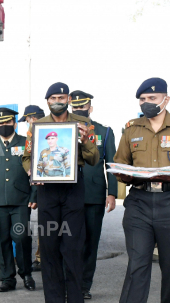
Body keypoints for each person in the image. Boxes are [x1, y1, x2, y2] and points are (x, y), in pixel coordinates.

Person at [114, 79, 170, 303]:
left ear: (166, 99)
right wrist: (123, 174)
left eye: (152, 98)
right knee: (137, 265)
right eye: (142, 99)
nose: (147, 103)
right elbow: (120, 162)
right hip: (139, 202)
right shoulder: (132, 127)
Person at [22, 82, 99, 303]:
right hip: (47, 191)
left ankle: (75, 298)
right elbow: (27, 157)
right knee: (49, 245)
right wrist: (32, 173)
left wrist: (85, 141)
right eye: (53, 98)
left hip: (73, 189)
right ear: (47, 101)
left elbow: (93, 158)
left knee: (73, 246)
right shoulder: (37, 126)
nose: (58, 102)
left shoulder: (83, 123)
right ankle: (54, 299)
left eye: (62, 98)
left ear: (69, 100)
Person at [0, 108, 37, 293]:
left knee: (21, 238)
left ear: (14, 123)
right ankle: (7, 279)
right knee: (2, 240)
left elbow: (36, 170)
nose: (4, 126)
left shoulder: (26, 143)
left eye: (8, 122)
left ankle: (26, 273)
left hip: (21, 199)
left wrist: (34, 195)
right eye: (1, 123)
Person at [70, 90, 117, 299]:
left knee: (91, 242)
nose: (79, 110)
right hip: (69, 193)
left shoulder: (104, 131)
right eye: (75, 107)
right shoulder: (64, 129)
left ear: (90, 108)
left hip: (94, 194)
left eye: (83, 107)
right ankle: (69, 282)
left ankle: (84, 286)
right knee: (69, 241)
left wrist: (112, 193)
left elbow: (111, 164)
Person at [19, 104, 45, 272]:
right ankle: (40, 256)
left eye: (27, 119)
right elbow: (29, 163)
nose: (27, 123)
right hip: (38, 187)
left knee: (49, 225)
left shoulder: (44, 134)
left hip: (47, 188)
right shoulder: (31, 135)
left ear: (33, 118)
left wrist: (34, 196)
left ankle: (42, 258)